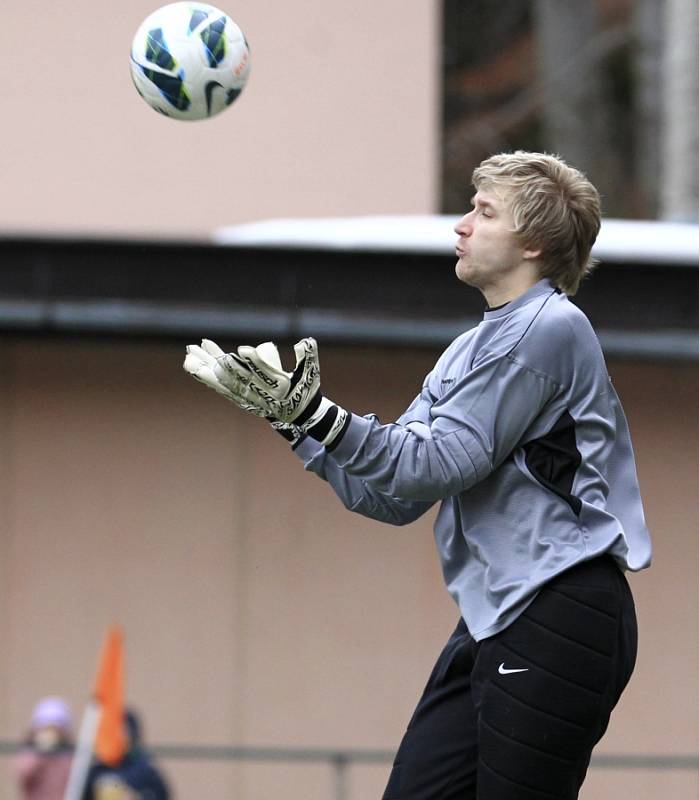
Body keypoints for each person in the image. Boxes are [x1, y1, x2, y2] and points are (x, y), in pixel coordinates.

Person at [184, 151, 652, 799]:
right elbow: (391, 495)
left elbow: (430, 466)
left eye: (484, 212)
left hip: (558, 606)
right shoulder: (471, 345)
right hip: (497, 616)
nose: (460, 225)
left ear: (534, 244)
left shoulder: (549, 326)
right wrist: (294, 423)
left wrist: (317, 415)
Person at [81, 710, 170, 800]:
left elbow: (162, 795)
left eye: (121, 731)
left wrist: (137, 797)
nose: (116, 736)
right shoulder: (96, 771)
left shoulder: (144, 770)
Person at [13, 696, 74, 800]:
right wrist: (40, 751)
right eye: (46, 729)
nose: (51, 734)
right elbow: (23, 774)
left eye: (55, 729)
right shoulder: (29, 753)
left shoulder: (69, 756)